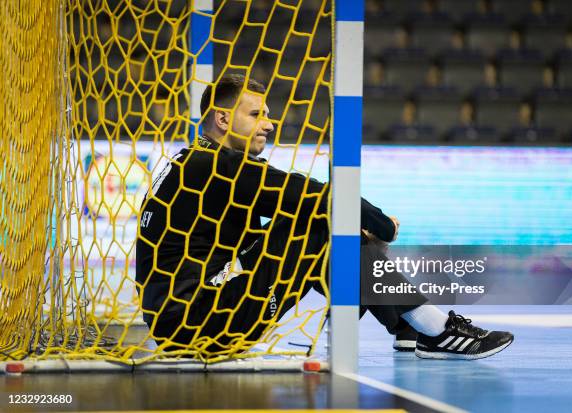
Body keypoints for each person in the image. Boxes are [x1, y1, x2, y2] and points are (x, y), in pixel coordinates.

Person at [135, 74, 513, 360]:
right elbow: (323, 196)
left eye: (267, 114)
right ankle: (430, 327)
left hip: (181, 320)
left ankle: (408, 325)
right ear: (221, 118)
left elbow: (253, 250)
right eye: (256, 115)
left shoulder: (192, 161)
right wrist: (382, 226)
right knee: (323, 222)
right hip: (201, 324)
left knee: (322, 224)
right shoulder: (221, 168)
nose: (269, 123)